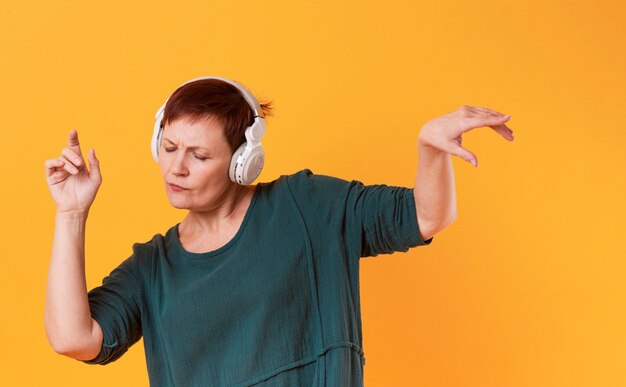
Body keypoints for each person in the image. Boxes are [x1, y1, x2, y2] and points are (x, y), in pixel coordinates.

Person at [44, 76, 514, 386]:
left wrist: (429, 150)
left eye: (199, 155)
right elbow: (73, 338)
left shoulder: (308, 207)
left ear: (243, 162)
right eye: (168, 148)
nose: (177, 167)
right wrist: (71, 214)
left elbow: (425, 216)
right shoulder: (152, 268)